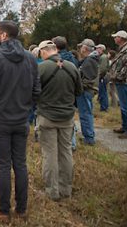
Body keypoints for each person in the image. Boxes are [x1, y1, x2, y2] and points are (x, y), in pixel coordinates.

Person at [0, 20, 41, 222]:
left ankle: (5, 212)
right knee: (21, 164)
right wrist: (27, 110)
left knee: (4, 166)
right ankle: (21, 210)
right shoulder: (30, 59)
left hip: (2, 120)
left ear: (4, 36)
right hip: (21, 119)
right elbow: (36, 90)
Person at [37, 40, 82, 201]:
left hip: (47, 117)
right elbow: (79, 91)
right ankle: (66, 189)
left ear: (42, 52)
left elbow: (32, 92)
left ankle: (52, 191)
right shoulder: (72, 67)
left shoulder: (41, 68)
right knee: (66, 152)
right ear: (55, 49)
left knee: (49, 154)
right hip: (67, 118)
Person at [52, 36, 80, 150]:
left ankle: (62, 143)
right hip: (70, 91)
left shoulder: (56, 60)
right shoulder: (73, 58)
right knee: (70, 118)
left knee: (56, 119)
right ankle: (72, 143)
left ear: (55, 47)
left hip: (58, 91)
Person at [110, 30, 127, 139]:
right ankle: (125, 126)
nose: (114, 39)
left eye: (116, 37)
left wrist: (117, 76)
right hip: (122, 81)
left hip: (125, 81)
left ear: (121, 38)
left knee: (126, 105)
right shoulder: (124, 49)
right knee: (123, 105)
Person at [76, 39, 99, 146]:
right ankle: (89, 136)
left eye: (81, 47)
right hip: (86, 90)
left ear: (85, 48)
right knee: (87, 113)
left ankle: (89, 138)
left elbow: (88, 80)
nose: (80, 49)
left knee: (85, 114)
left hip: (85, 91)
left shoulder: (89, 61)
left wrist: (79, 87)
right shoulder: (89, 59)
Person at [96, 44, 110, 112]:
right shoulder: (101, 56)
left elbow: (103, 69)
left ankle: (104, 107)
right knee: (102, 92)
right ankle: (103, 106)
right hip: (103, 76)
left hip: (103, 77)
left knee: (103, 92)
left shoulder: (103, 57)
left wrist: (99, 77)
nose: (96, 50)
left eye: (98, 48)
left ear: (101, 49)